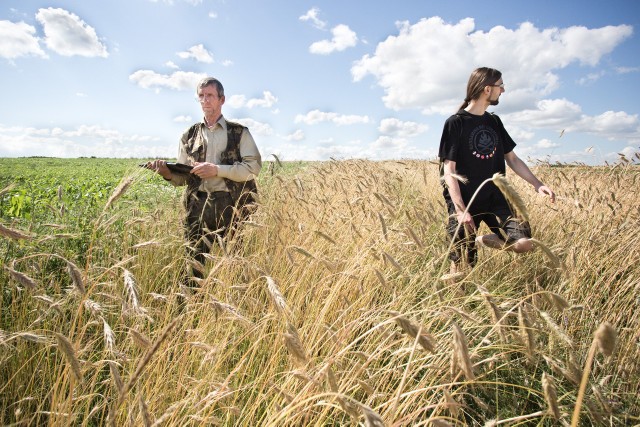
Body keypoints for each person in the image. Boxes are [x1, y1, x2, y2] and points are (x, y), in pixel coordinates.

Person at [438, 67, 555, 273]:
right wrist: (460, 209)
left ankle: (482, 240)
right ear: (487, 89)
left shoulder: (494, 121)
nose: (503, 90)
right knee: (461, 262)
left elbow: (512, 158)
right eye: (500, 85)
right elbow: (449, 169)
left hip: (495, 196)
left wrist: (538, 185)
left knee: (524, 243)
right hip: (466, 199)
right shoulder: (455, 123)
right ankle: (455, 300)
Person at [147, 77, 262, 282]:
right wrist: (166, 173)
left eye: (210, 95)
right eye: (201, 96)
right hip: (197, 206)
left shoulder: (239, 132)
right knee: (193, 266)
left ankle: (234, 305)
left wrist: (216, 170)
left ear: (222, 100)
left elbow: (253, 168)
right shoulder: (188, 135)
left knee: (236, 264)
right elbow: (183, 177)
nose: (205, 100)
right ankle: (194, 309)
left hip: (232, 205)